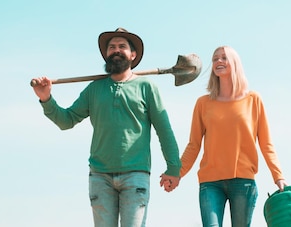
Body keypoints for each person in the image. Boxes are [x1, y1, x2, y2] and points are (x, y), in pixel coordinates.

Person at [31, 27, 182, 227]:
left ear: (133, 55)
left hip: (136, 174)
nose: (116, 50)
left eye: (122, 46)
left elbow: (164, 130)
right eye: (111, 47)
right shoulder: (94, 89)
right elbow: (66, 121)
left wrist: (174, 167)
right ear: (106, 54)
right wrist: (46, 98)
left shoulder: (146, 88)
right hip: (100, 177)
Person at [179, 46, 288, 227]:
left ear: (235, 64)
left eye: (223, 58)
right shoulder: (203, 104)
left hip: (243, 183)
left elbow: (266, 143)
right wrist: (177, 173)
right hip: (210, 183)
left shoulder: (253, 100)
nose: (218, 62)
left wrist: (278, 176)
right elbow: (194, 145)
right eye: (215, 59)